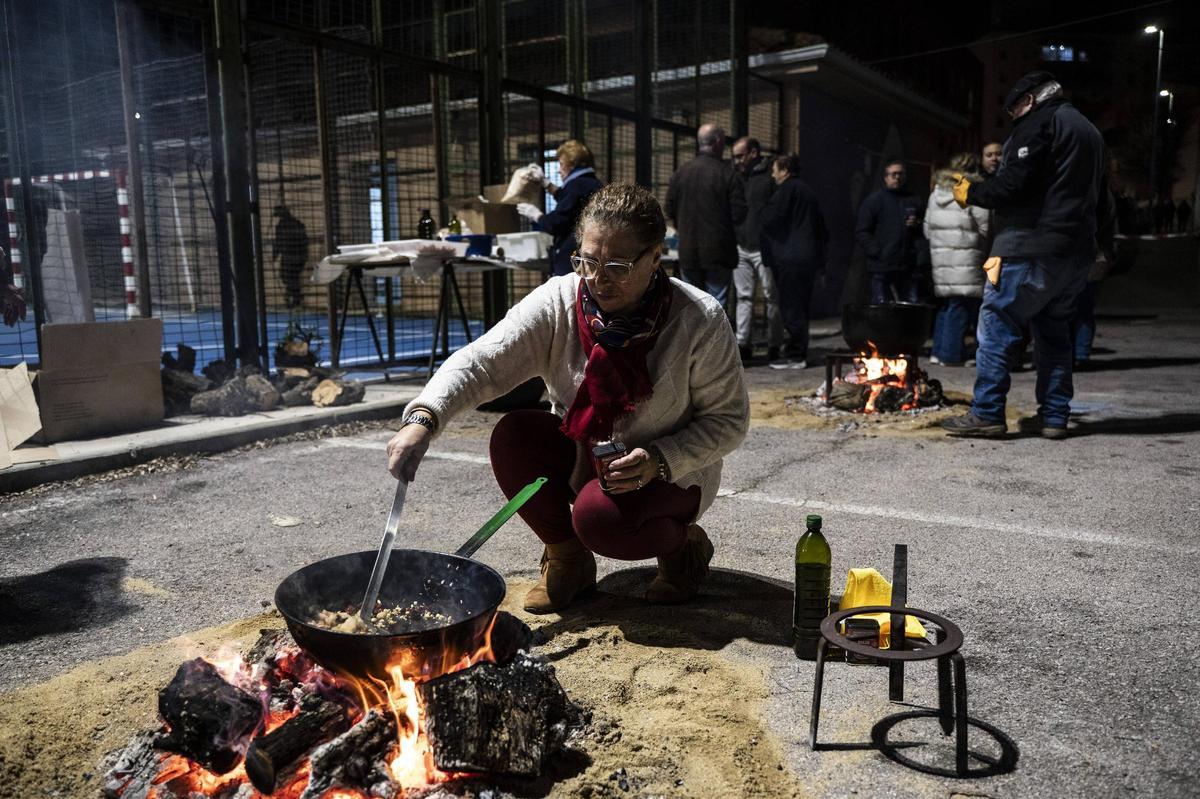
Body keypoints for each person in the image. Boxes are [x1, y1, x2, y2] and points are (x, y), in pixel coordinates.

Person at [386, 184, 749, 613]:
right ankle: (568, 560)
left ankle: (681, 548)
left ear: (655, 258)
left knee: (601, 520)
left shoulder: (698, 318)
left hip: (670, 471)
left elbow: (728, 421)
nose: (598, 278)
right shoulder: (559, 300)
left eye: (617, 265)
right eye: (588, 260)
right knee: (514, 436)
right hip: (585, 454)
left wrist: (659, 458)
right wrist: (424, 418)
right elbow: (482, 362)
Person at [941, 71, 1111, 439]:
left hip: (1028, 247)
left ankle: (986, 413)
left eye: (1014, 108)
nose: (1013, 117)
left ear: (1030, 100)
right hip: (1075, 253)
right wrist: (1103, 247)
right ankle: (1054, 417)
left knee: (997, 326)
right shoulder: (1090, 132)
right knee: (1054, 334)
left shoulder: (1040, 122)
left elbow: (1014, 186)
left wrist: (971, 192)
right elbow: (1104, 198)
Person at [664, 124, 747, 307]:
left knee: (693, 307)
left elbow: (668, 209)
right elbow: (739, 214)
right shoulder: (727, 173)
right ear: (718, 142)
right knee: (716, 307)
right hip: (719, 253)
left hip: (688, 252)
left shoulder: (681, 172)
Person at [758, 154, 828, 370]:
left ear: (785, 170)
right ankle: (799, 350)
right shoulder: (808, 192)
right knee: (800, 306)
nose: (772, 174)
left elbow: (770, 219)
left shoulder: (786, 191)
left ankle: (795, 354)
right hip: (807, 258)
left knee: (791, 306)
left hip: (790, 258)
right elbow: (822, 229)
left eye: (775, 169)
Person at [924, 152, 989, 366]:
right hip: (966, 258)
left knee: (948, 305)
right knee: (962, 307)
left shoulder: (936, 193)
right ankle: (951, 355)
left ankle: (938, 351)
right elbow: (985, 226)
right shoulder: (971, 190)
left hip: (941, 259)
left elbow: (927, 228)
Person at [730, 136, 783, 363]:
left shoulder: (770, 176)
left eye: (741, 155)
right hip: (742, 244)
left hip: (764, 245)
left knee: (771, 296)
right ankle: (743, 343)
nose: (737, 161)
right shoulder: (736, 176)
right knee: (745, 297)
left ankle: (774, 343)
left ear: (753, 153)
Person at [516, 139, 604, 277]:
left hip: (571, 258)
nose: (559, 170)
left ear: (572, 165)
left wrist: (537, 216)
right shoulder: (592, 183)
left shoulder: (576, 186)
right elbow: (569, 201)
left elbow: (558, 221)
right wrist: (546, 184)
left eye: (562, 164)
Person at [855, 160, 926, 304]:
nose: (897, 178)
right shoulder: (874, 201)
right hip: (882, 265)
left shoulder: (914, 200)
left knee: (910, 304)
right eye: (894, 174)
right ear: (886, 177)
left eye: (901, 174)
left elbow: (924, 228)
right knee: (882, 305)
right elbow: (862, 231)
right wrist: (877, 251)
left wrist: (917, 224)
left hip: (907, 264)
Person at [272, 205, 309, 309]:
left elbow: (279, 242)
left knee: (288, 277)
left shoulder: (282, 225)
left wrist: (275, 254)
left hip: (290, 256)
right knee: (292, 277)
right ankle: (293, 297)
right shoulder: (297, 223)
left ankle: (294, 298)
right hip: (299, 255)